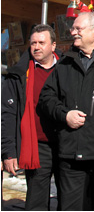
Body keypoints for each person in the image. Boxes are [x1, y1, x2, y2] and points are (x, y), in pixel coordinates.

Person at [38, 12, 94, 210]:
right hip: (71, 154)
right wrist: (64, 114)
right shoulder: (65, 63)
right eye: (73, 28)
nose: (72, 32)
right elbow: (46, 98)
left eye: (78, 28)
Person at [1, 24, 61, 210]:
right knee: (36, 201)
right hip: (37, 146)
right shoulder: (18, 75)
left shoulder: (68, 70)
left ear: (53, 45)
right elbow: (8, 115)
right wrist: (8, 151)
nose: (36, 47)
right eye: (33, 43)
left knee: (69, 199)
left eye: (42, 42)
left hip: (65, 143)